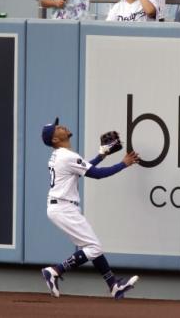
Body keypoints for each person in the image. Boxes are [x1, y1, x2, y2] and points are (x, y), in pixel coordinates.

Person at [40, 118, 140, 299]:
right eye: (57, 128)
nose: (61, 126)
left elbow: (84, 168)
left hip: (60, 207)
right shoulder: (66, 156)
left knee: (90, 246)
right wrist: (123, 163)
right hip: (63, 208)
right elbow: (96, 174)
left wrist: (101, 155)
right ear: (55, 139)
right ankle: (55, 270)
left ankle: (113, 285)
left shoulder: (62, 155)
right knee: (94, 247)